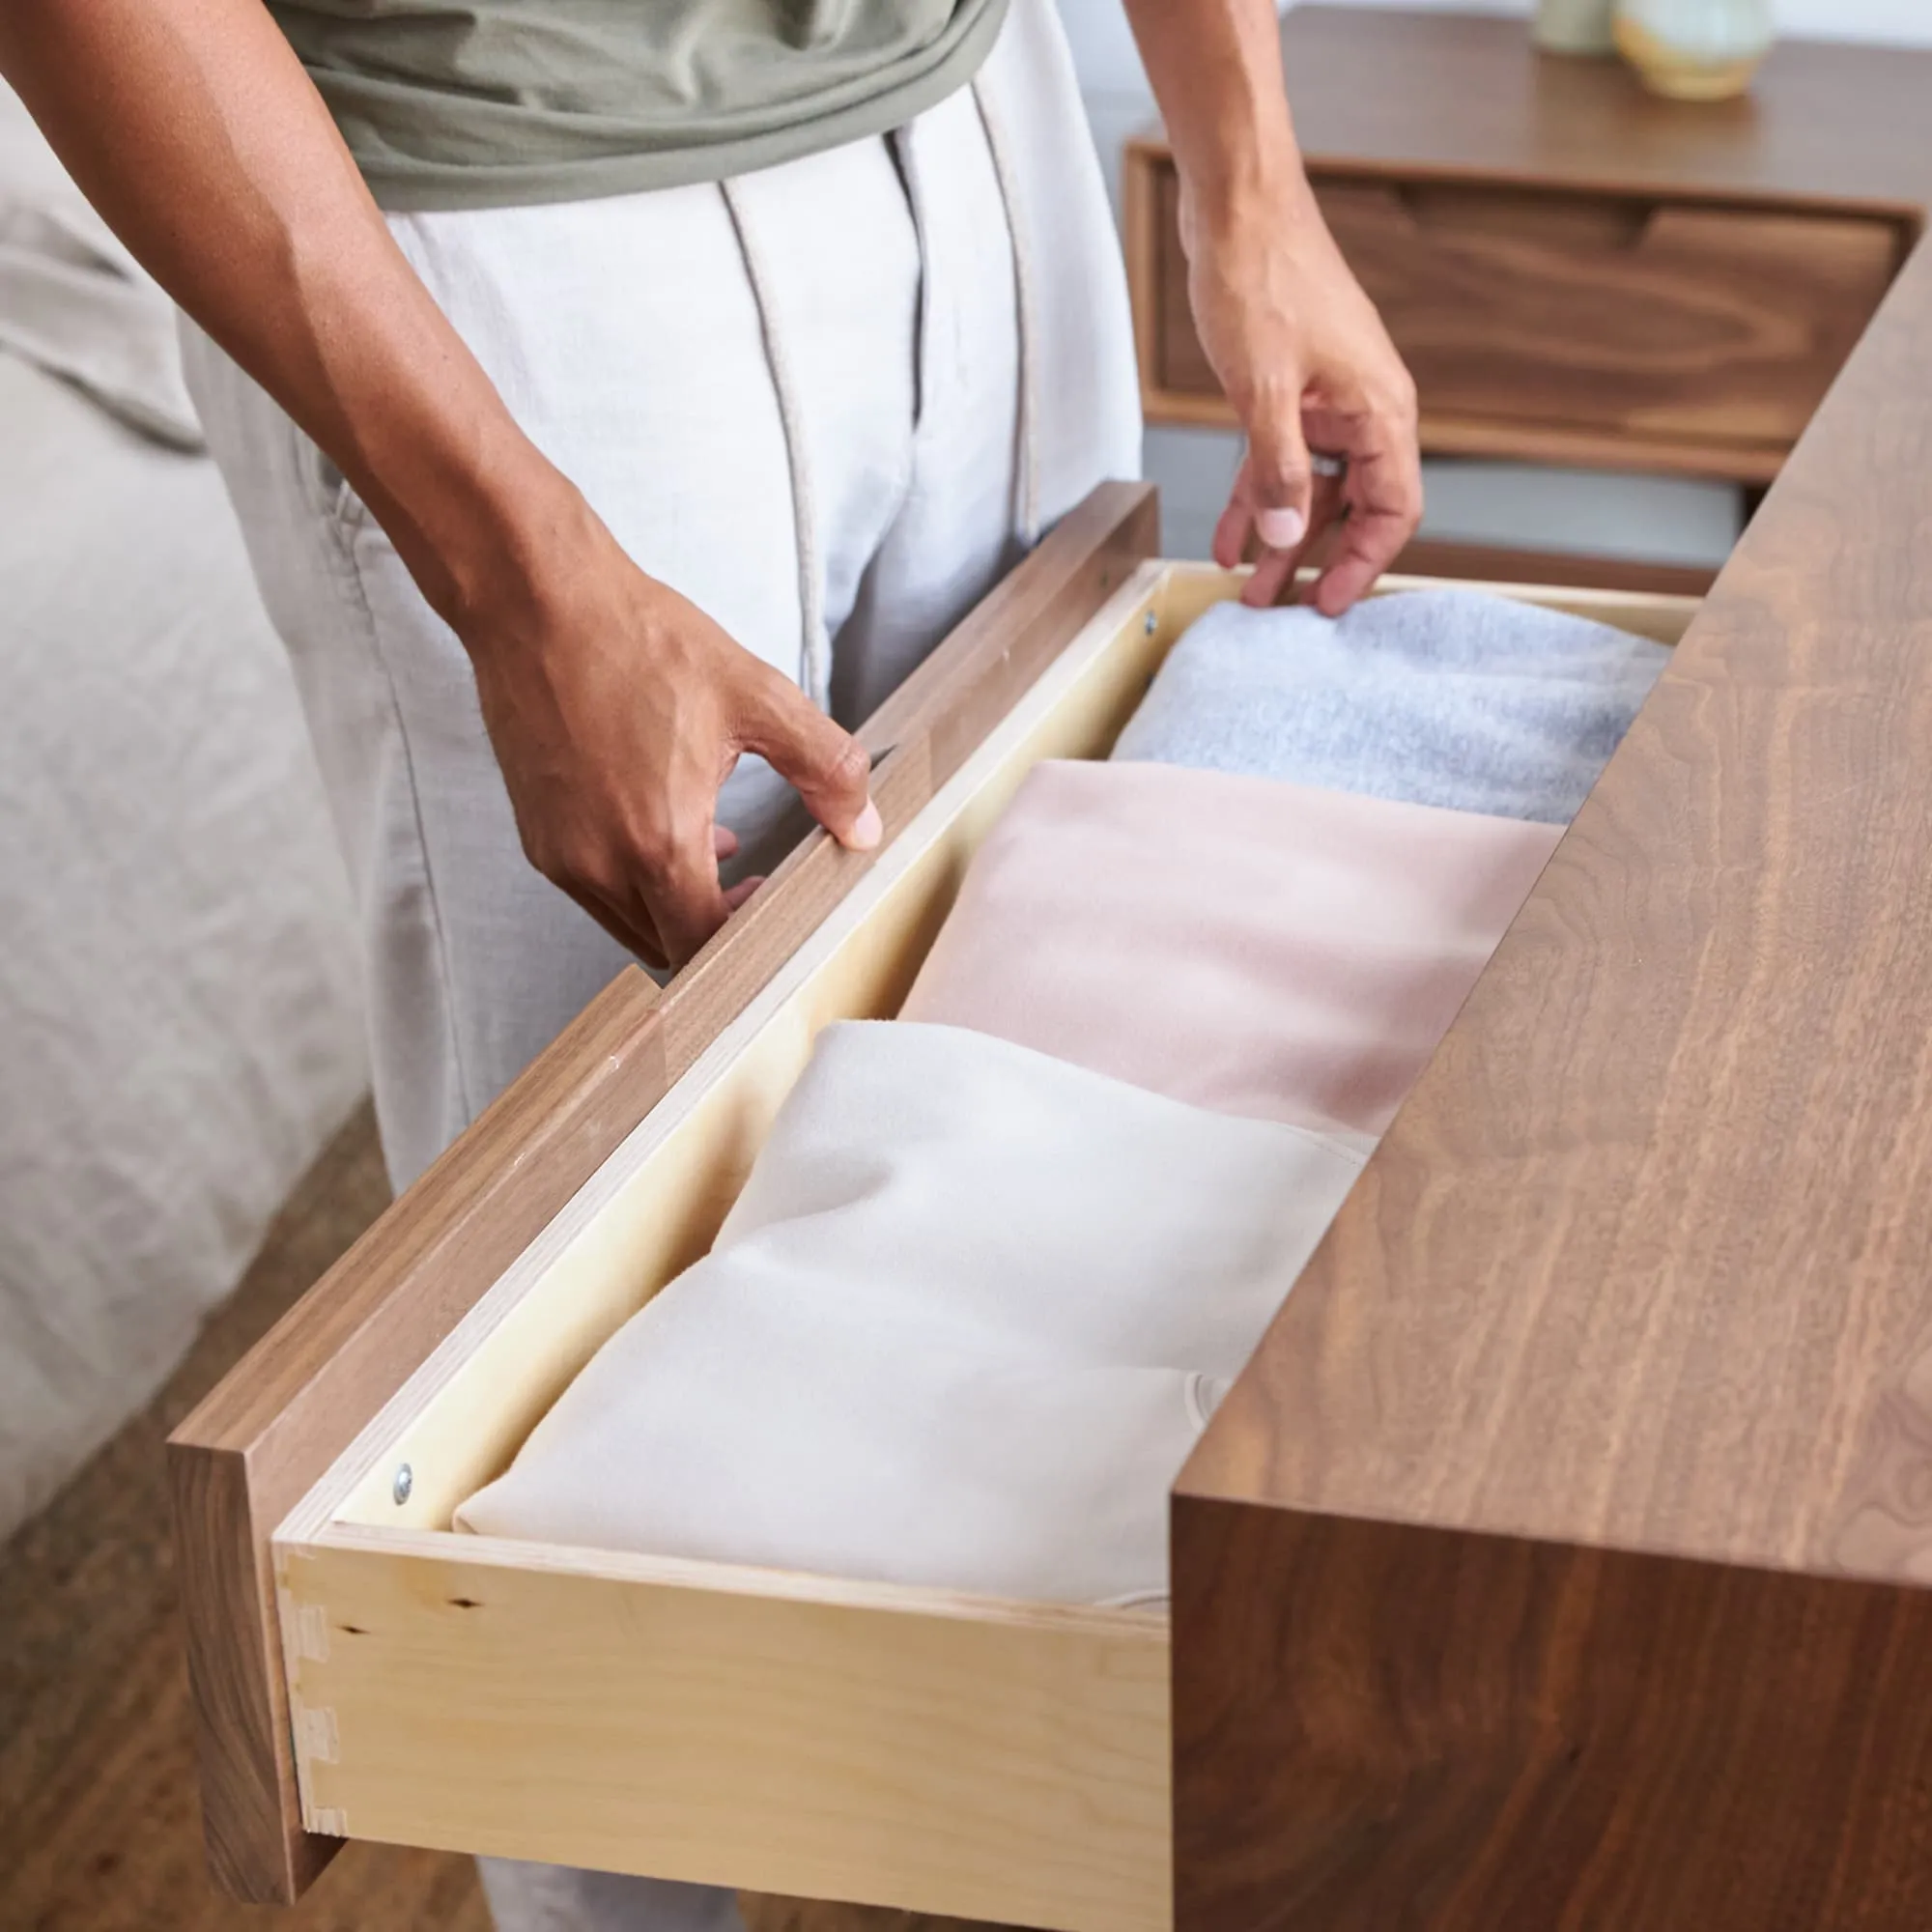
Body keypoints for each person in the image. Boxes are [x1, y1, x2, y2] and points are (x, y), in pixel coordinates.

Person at [2, 0, 1419, 1923]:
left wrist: (1249, 176)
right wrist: (524, 573)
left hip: (978, 121)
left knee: (1027, 1122)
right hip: (509, 227)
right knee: (579, 1371)